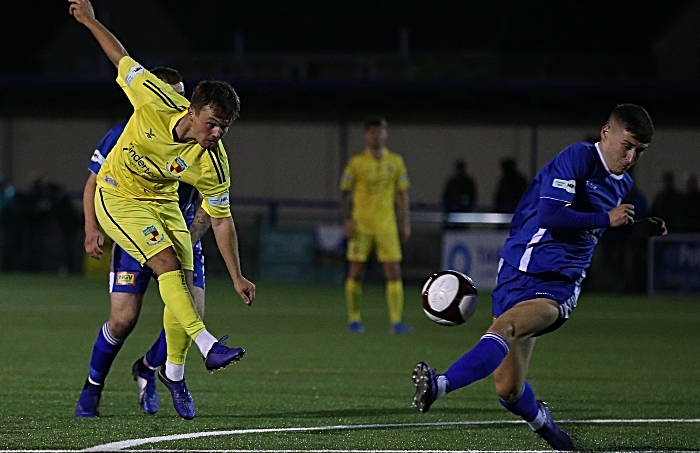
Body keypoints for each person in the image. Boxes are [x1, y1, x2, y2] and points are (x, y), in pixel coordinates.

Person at [411, 104, 667, 451]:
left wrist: (634, 229)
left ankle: (438, 386)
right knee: (508, 391)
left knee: (504, 330)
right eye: (628, 145)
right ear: (607, 133)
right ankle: (544, 425)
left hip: (557, 286)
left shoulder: (622, 184)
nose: (632, 156)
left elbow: (595, 230)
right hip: (516, 271)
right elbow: (550, 214)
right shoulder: (578, 157)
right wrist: (609, 220)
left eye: (640, 150)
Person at [70, 0, 255, 420]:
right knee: (131, 310)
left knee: (186, 292)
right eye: (212, 124)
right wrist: (90, 20)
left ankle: (171, 372)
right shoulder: (150, 100)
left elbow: (222, 219)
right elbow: (119, 55)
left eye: (224, 127)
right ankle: (205, 346)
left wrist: (238, 274)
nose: (217, 133)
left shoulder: (214, 160)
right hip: (119, 197)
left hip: (163, 204)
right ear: (190, 110)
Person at [76, 68, 210, 418]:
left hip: (178, 234)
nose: (181, 104)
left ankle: (148, 368)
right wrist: (92, 227)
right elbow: (94, 183)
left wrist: (190, 237)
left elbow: (212, 202)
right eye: (173, 95)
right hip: (136, 234)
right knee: (122, 321)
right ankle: (92, 389)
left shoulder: (202, 141)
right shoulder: (125, 133)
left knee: (190, 313)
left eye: (185, 96)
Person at [340, 116, 412, 334]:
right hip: (361, 225)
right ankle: (354, 318)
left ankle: (396, 321)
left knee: (393, 272)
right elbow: (345, 193)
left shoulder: (396, 162)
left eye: (379, 132)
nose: (375, 136)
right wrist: (346, 221)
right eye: (371, 132)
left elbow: (402, 194)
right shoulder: (356, 163)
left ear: (385, 134)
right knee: (355, 271)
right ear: (366, 135)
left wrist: (405, 222)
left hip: (386, 225)